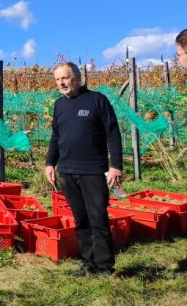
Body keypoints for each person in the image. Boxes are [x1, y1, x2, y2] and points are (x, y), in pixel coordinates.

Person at [45, 62, 123, 276]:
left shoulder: (97, 100)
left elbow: (113, 133)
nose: (61, 83)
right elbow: (56, 136)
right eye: (57, 79)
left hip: (93, 171)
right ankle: (89, 263)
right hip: (67, 171)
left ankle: (105, 266)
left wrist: (116, 165)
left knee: (98, 218)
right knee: (81, 220)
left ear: (77, 78)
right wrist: (50, 163)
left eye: (65, 78)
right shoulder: (59, 105)